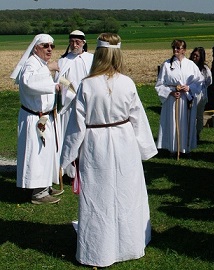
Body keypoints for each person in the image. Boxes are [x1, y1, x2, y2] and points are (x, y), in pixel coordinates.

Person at [60, 33, 158, 267]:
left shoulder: (87, 84)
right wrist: (145, 148)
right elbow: (138, 120)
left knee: (101, 196)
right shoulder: (127, 83)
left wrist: (67, 156)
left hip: (97, 146)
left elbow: (76, 127)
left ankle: (105, 247)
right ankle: (117, 246)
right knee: (121, 194)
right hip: (123, 144)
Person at [10, 33, 63, 204]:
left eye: (51, 46)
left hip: (45, 117)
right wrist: (49, 71)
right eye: (45, 46)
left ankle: (44, 185)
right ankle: (38, 193)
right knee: (37, 154)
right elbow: (28, 82)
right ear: (36, 48)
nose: (49, 49)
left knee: (47, 153)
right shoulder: (31, 64)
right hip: (34, 118)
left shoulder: (41, 63)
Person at [55, 30, 93, 178]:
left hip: (87, 105)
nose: (74, 44)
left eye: (77, 42)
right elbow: (59, 81)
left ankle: (84, 170)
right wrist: (68, 93)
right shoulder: (63, 60)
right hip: (68, 106)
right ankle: (68, 171)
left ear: (83, 42)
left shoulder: (91, 59)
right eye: (72, 41)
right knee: (69, 137)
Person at [155, 39, 202, 157]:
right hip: (172, 100)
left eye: (178, 48)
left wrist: (189, 87)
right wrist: (170, 92)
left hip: (186, 99)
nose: (175, 50)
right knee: (173, 122)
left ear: (184, 50)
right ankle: (173, 148)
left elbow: (199, 82)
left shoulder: (191, 65)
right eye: (174, 48)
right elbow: (160, 84)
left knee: (186, 122)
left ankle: (185, 148)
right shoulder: (166, 65)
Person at [189, 47, 212, 142]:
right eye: (193, 55)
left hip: (200, 95)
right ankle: (189, 133)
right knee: (190, 115)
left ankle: (197, 133)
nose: (194, 57)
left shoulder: (205, 69)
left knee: (199, 116)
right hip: (189, 93)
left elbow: (209, 81)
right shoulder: (188, 66)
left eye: (197, 56)